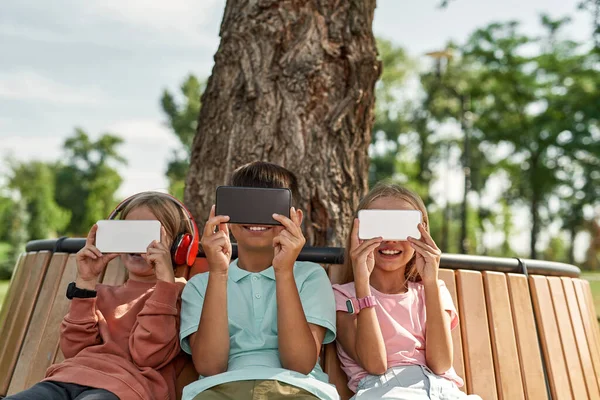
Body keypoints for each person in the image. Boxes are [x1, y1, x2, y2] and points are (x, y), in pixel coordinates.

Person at [6, 191, 198, 400]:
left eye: (149, 236)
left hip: (126, 390)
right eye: (128, 233)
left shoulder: (176, 295)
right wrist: (86, 283)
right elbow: (75, 350)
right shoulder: (100, 293)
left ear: (179, 246)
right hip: (67, 379)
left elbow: (148, 355)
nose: (138, 244)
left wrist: (165, 286)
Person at [180, 161, 339, 400]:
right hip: (220, 389)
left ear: (295, 218)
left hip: (297, 389)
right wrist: (219, 274)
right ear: (225, 216)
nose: (257, 217)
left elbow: (300, 364)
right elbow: (209, 367)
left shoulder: (310, 276)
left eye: (269, 207)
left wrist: (284, 272)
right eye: (246, 205)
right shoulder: (201, 285)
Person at [332, 182, 481, 400]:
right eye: (378, 227)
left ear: (422, 233)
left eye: (401, 227)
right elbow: (375, 364)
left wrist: (430, 282)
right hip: (383, 391)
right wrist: (362, 283)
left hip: (443, 391)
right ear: (359, 232)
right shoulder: (344, 297)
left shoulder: (433, 291)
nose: (390, 239)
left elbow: (440, 363)